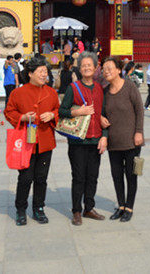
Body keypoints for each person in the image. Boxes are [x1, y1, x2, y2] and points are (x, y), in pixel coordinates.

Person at [4, 57, 59, 226]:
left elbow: (58, 110)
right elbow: (9, 111)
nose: (44, 75)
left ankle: (38, 208)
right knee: (25, 178)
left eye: (45, 72)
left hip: (45, 140)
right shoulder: (18, 93)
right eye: (41, 71)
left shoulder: (51, 92)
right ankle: (21, 209)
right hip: (26, 141)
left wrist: (52, 115)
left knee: (41, 178)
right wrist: (23, 117)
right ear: (30, 74)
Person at [58, 52, 108, 226]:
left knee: (93, 176)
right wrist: (78, 112)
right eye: (83, 65)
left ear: (95, 68)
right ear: (79, 69)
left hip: (96, 141)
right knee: (78, 176)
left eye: (89, 65)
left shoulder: (100, 89)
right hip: (78, 141)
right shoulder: (74, 88)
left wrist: (105, 137)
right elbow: (61, 111)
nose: (86, 68)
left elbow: (104, 115)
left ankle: (89, 207)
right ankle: (77, 211)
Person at [101, 56, 144, 222]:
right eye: (104, 69)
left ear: (119, 70)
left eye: (110, 68)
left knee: (131, 175)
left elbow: (139, 110)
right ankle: (120, 205)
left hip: (132, 140)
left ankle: (129, 207)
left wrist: (139, 132)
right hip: (114, 142)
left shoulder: (130, 87)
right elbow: (102, 113)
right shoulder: (105, 92)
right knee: (116, 175)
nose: (106, 72)